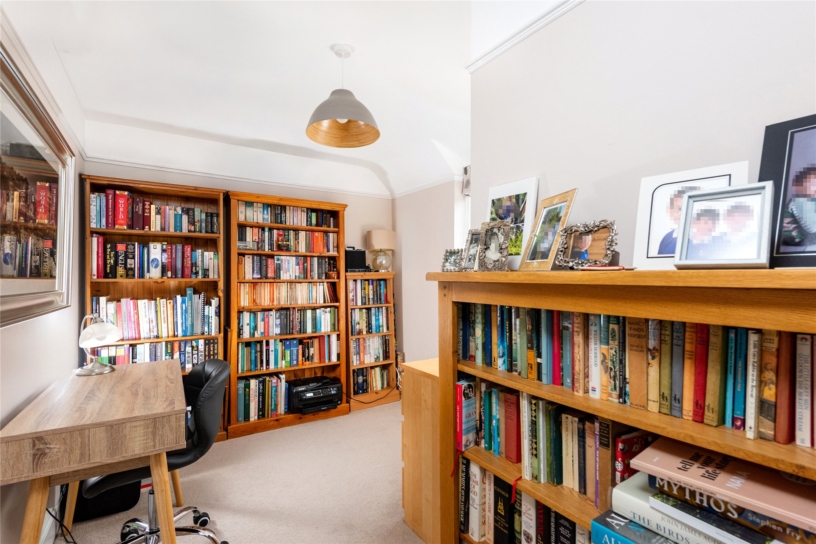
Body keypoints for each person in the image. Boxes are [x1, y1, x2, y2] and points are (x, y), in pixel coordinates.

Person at [781, 165, 816, 251]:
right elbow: (812, 228)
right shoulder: (799, 201)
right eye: (813, 184)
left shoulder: (810, 199)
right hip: (796, 239)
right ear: (798, 186)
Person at [657, 186, 700, 255]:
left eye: (687, 208)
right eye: (678, 209)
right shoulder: (667, 238)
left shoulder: (702, 238)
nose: (681, 213)